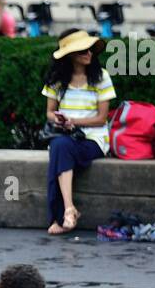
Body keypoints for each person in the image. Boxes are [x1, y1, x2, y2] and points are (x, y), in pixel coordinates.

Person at [41, 29, 116, 235]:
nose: (89, 54)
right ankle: (68, 209)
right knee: (59, 146)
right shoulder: (56, 80)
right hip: (65, 137)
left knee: (59, 149)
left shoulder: (101, 77)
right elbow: (48, 112)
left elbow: (102, 118)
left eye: (90, 49)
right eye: (83, 50)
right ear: (70, 56)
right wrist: (58, 119)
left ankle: (62, 214)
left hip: (94, 139)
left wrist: (74, 121)